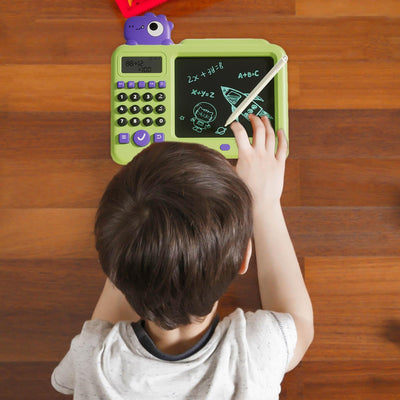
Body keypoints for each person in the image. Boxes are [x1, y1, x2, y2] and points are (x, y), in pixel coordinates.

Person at [51, 114, 313, 399]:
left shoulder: (93, 356)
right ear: (243, 259)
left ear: (112, 272)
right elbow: (299, 323)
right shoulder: (259, 349)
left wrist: (136, 229)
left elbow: (72, 373)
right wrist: (264, 205)